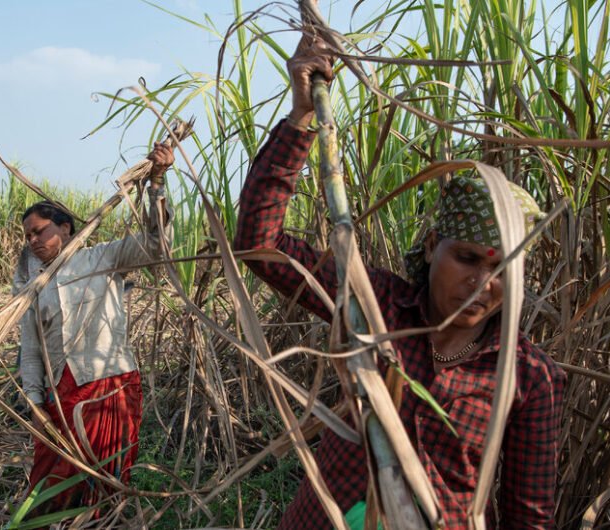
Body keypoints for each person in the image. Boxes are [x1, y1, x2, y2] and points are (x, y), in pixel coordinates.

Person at [233, 33, 566, 530]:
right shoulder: (375, 305)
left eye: (503, 270)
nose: (482, 283)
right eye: (468, 258)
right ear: (432, 245)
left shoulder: (527, 377)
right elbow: (262, 244)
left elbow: (528, 515)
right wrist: (303, 114)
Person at [14, 143, 174, 513]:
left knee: (105, 478)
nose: (33, 241)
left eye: (39, 231)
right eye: (28, 236)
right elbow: (33, 347)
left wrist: (158, 184)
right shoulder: (34, 286)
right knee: (51, 479)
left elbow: (155, 245)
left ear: (65, 228)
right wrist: (35, 401)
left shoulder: (103, 257)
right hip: (60, 397)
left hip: (109, 386)